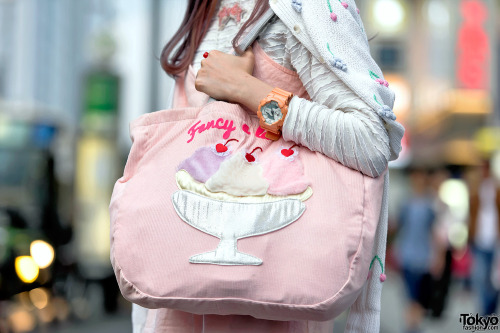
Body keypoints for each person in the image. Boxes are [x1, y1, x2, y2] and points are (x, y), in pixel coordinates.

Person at [132, 0, 404, 332]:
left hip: (275, 305)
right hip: (177, 305)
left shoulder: (309, 6)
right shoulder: (205, 9)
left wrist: (250, 92)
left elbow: (372, 140)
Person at [396, 168, 436, 333]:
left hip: (423, 255)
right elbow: (400, 227)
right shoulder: (406, 203)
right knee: (409, 292)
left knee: (419, 293)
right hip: (407, 253)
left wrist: (436, 256)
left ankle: (415, 323)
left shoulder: (430, 204)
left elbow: (433, 232)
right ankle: (411, 324)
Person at [468, 160, 500, 315]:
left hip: (495, 239)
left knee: (493, 277)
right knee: (481, 276)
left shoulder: (496, 188)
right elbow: (471, 213)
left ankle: (491, 307)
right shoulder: (476, 188)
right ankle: (485, 309)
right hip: (480, 239)